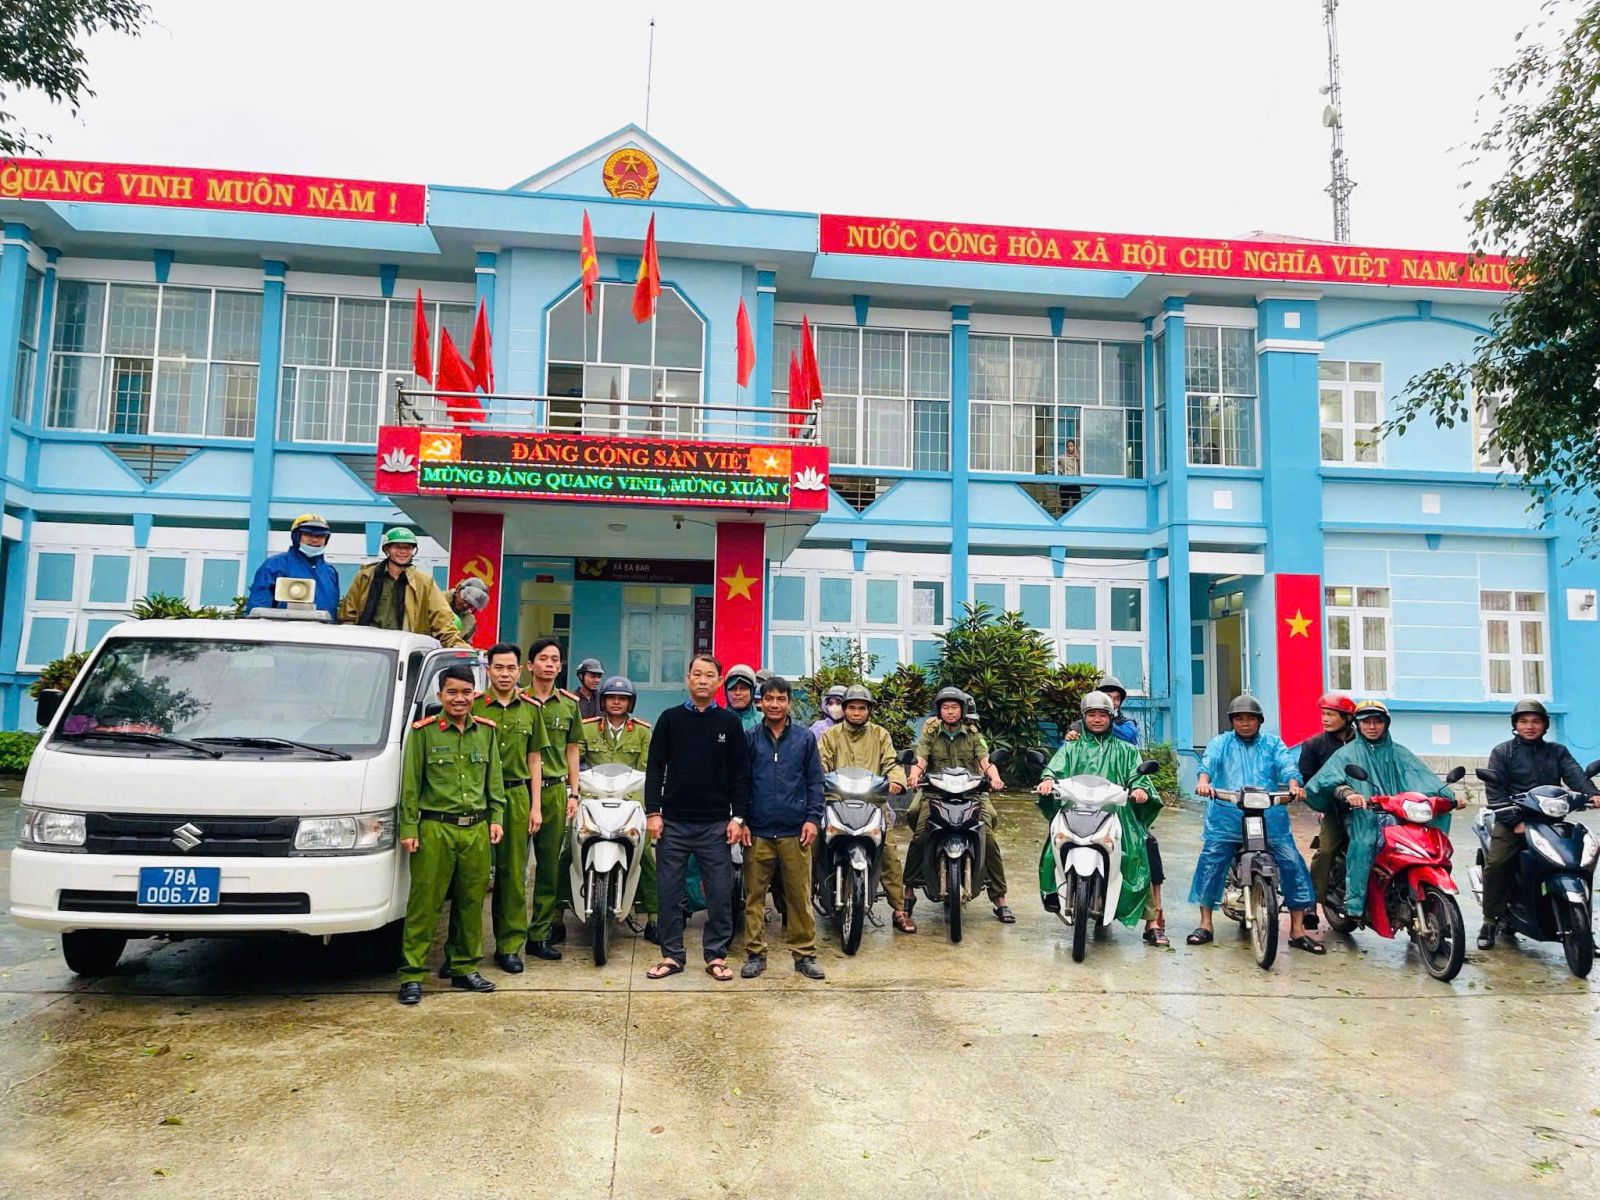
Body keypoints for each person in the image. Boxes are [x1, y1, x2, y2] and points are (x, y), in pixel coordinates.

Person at [396, 664, 505, 1005]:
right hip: (435, 829)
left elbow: (494, 780)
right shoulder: (424, 733)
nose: (460, 699)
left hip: (475, 830)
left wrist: (497, 818)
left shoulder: (485, 732)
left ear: (475, 695)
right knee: (424, 904)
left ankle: (463, 967)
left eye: (466, 692)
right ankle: (412, 975)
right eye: (452, 692)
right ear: (440, 695)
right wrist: (408, 827)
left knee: (471, 903)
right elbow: (410, 784)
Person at [1305, 699, 1458, 931]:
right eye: (1366, 722)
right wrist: (1348, 793)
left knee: (1422, 842)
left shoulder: (1398, 752)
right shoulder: (1344, 753)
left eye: (1377, 721)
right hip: (1354, 813)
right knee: (1360, 843)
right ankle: (1346, 902)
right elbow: (1326, 781)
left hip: (1395, 812)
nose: (1372, 726)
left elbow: (1421, 777)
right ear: (1358, 723)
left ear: (1386, 724)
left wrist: (1447, 796)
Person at [643, 654, 751, 982]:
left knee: (719, 893)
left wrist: (738, 818)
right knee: (668, 892)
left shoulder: (729, 723)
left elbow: (740, 774)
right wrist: (653, 812)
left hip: (715, 825)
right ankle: (672, 955)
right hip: (673, 823)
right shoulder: (670, 719)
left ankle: (716, 955)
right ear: (687, 679)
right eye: (697, 674)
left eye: (709, 676)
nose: (703, 680)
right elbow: (655, 768)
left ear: (719, 682)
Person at [1185, 694, 1321, 953]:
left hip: (1269, 819)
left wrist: (1294, 786)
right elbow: (1208, 763)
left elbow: (1287, 766)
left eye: (1250, 718)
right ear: (1232, 721)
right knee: (1211, 861)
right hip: (1227, 817)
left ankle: (1298, 929)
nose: (1245, 723)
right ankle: (1205, 924)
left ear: (1260, 721)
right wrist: (1204, 782)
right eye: (1239, 719)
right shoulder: (1221, 743)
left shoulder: (1273, 744)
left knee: (1292, 862)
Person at [1035, 691, 1168, 945]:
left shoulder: (1127, 750)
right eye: (1091, 714)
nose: (1097, 719)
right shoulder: (1071, 747)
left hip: (1117, 813)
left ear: (1111, 717)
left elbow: (1138, 777)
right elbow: (1053, 768)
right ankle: (1052, 892)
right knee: (1053, 847)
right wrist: (1047, 780)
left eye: (1102, 715)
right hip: (1075, 810)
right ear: (1083, 717)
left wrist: (1140, 790)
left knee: (1136, 856)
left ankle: (1152, 922)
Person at [1474, 698, 1599, 949]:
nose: (1529, 726)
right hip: (1514, 820)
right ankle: (1490, 920)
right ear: (1515, 725)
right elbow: (1495, 791)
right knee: (1499, 863)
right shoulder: (1503, 752)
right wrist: (1515, 822)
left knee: (1579, 862)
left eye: (1535, 721)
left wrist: (1592, 793)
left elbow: (1574, 773)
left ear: (1544, 725)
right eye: (1523, 721)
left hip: (1550, 819)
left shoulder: (1557, 751)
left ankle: (1584, 929)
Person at [740, 675, 827, 980]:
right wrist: (742, 820)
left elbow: (815, 782)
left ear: (789, 702)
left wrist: (812, 819)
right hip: (758, 832)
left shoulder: (804, 739)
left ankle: (804, 955)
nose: (774, 704)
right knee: (754, 897)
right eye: (769, 699)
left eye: (781, 699)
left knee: (799, 897)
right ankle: (755, 954)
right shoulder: (750, 738)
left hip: (795, 832)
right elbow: (741, 783)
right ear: (760, 702)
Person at [470, 642, 550, 975]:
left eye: (510, 668)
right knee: (472, 877)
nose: (504, 674)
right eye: (498, 667)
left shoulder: (530, 709)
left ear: (520, 671)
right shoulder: (474, 706)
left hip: (516, 795)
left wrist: (536, 806)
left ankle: (509, 946)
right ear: (487, 670)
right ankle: (463, 950)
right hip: (477, 797)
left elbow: (535, 759)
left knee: (513, 875)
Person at [902, 686, 1013, 923]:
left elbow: (986, 762)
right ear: (939, 711)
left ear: (962, 710)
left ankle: (1000, 898)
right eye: (946, 707)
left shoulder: (973, 735)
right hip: (935, 793)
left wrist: (995, 778)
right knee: (919, 832)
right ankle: (908, 892)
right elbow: (920, 761)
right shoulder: (930, 734)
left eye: (954, 707)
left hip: (971, 794)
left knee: (988, 837)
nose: (950, 712)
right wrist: (914, 776)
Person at [817, 684, 917, 934]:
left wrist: (896, 780)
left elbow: (891, 762)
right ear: (844, 709)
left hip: (873, 803)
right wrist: (817, 778)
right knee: (812, 847)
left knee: (889, 852)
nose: (856, 712)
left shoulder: (880, 735)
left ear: (869, 710)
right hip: (836, 801)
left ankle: (899, 909)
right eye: (852, 707)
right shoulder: (830, 735)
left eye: (862, 708)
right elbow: (820, 762)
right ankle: (803, 904)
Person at [579, 675, 658, 943]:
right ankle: (555, 916)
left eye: (622, 698)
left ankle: (654, 916)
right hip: (591, 800)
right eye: (611, 697)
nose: (616, 702)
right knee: (568, 850)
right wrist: (580, 793)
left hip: (629, 803)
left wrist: (637, 801)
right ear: (602, 701)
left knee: (645, 854)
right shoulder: (587, 729)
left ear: (630, 703)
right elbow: (578, 764)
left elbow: (647, 771)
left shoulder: (642, 732)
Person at [523, 638, 583, 961]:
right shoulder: (517, 702)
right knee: (513, 870)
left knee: (548, 867)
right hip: (519, 791)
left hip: (555, 791)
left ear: (560, 667)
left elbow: (572, 750)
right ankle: (510, 938)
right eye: (543, 658)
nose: (549, 664)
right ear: (530, 665)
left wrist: (574, 792)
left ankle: (539, 934)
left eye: (555, 659)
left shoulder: (569, 705)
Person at [337, 528, 467, 647]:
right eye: (397, 547)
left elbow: (442, 620)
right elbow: (348, 615)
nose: (403, 551)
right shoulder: (365, 577)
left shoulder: (425, 583)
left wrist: (459, 646)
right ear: (387, 549)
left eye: (408, 547)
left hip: (402, 649)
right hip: (367, 646)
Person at [1298, 692, 1357, 926]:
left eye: (1331, 714)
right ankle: (1311, 902)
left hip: (1368, 808)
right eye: (1323, 714)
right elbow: (1308, 780)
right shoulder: (1314, 745)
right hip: (1334, 809)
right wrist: (1321, 802)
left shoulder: (1362, 743)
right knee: (1325, 851)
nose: (1324, 719)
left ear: (1347, 718)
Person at [246, 513, 339, 615]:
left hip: (323, 625)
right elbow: (259, 606)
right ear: (296, 537)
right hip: (283, 624)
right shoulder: (275, 565)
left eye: (320, 536)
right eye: (308, 534)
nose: (314, 540)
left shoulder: (330, 571)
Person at [1065, 675, 1138, 744]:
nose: (1112, 702)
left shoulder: (1127, 724)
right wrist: (1071, 737)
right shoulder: (1079, 725)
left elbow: (1127, 736)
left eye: (1117, 699)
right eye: (1108, 697)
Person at [446, 578, 491, 643]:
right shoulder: (439, 600)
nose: (465, 605)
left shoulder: (470, 622)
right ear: (458, 590)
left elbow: (465, 645)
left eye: (471, 604)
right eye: (465, 599)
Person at [724, 663, 763, 732]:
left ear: (752, 692)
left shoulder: (764, 720)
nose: (737, 693)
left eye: (743, 688)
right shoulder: (716, 720)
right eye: (732, 688)